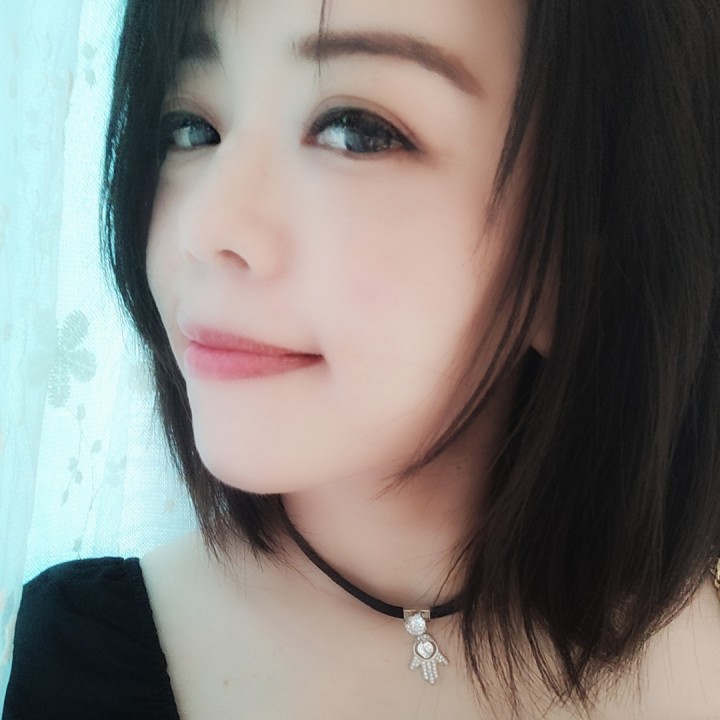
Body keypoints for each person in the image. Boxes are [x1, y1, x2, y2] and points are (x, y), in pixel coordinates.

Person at [4, 0, 720, 717]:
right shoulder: (79, 662)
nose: (206, 225)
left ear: (583, 254)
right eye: (190, 128)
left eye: (357, 131)